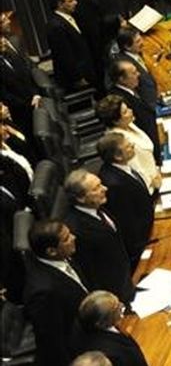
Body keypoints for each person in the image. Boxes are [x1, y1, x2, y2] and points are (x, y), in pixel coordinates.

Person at [23, 219, 90, 366]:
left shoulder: (62, 255)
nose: (74, 237)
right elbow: (54, 342)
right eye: (66, 238)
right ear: (51, 251)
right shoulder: (43, 293)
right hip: (79, 350)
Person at [61, 169, 134, 303]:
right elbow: (92, 273)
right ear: (80, 198)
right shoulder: (77, 231)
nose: (105, 189)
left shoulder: (97, 206)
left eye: (101, 184)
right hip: (116, 294)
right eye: (96, 188)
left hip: (127, 276)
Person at [95, 132, 154, 267]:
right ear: (117, 156)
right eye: (128, 146)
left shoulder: (122, 167)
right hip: (145, 241)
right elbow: (129, 224)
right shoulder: (115, 185)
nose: (132, 146)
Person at [94, 94, 159, 188]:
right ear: (116, 121)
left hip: (156, 173)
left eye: (128, 108)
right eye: (125, 112)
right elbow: (135, 170)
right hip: (149, 186)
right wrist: (154, 182)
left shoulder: (129, 124)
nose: (130, 111)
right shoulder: (120, 141)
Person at [70, 290, 149, 366]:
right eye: (116, 307)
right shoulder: (109, 354)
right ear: (102, 321)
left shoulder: (106, 327)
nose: (122, 305)